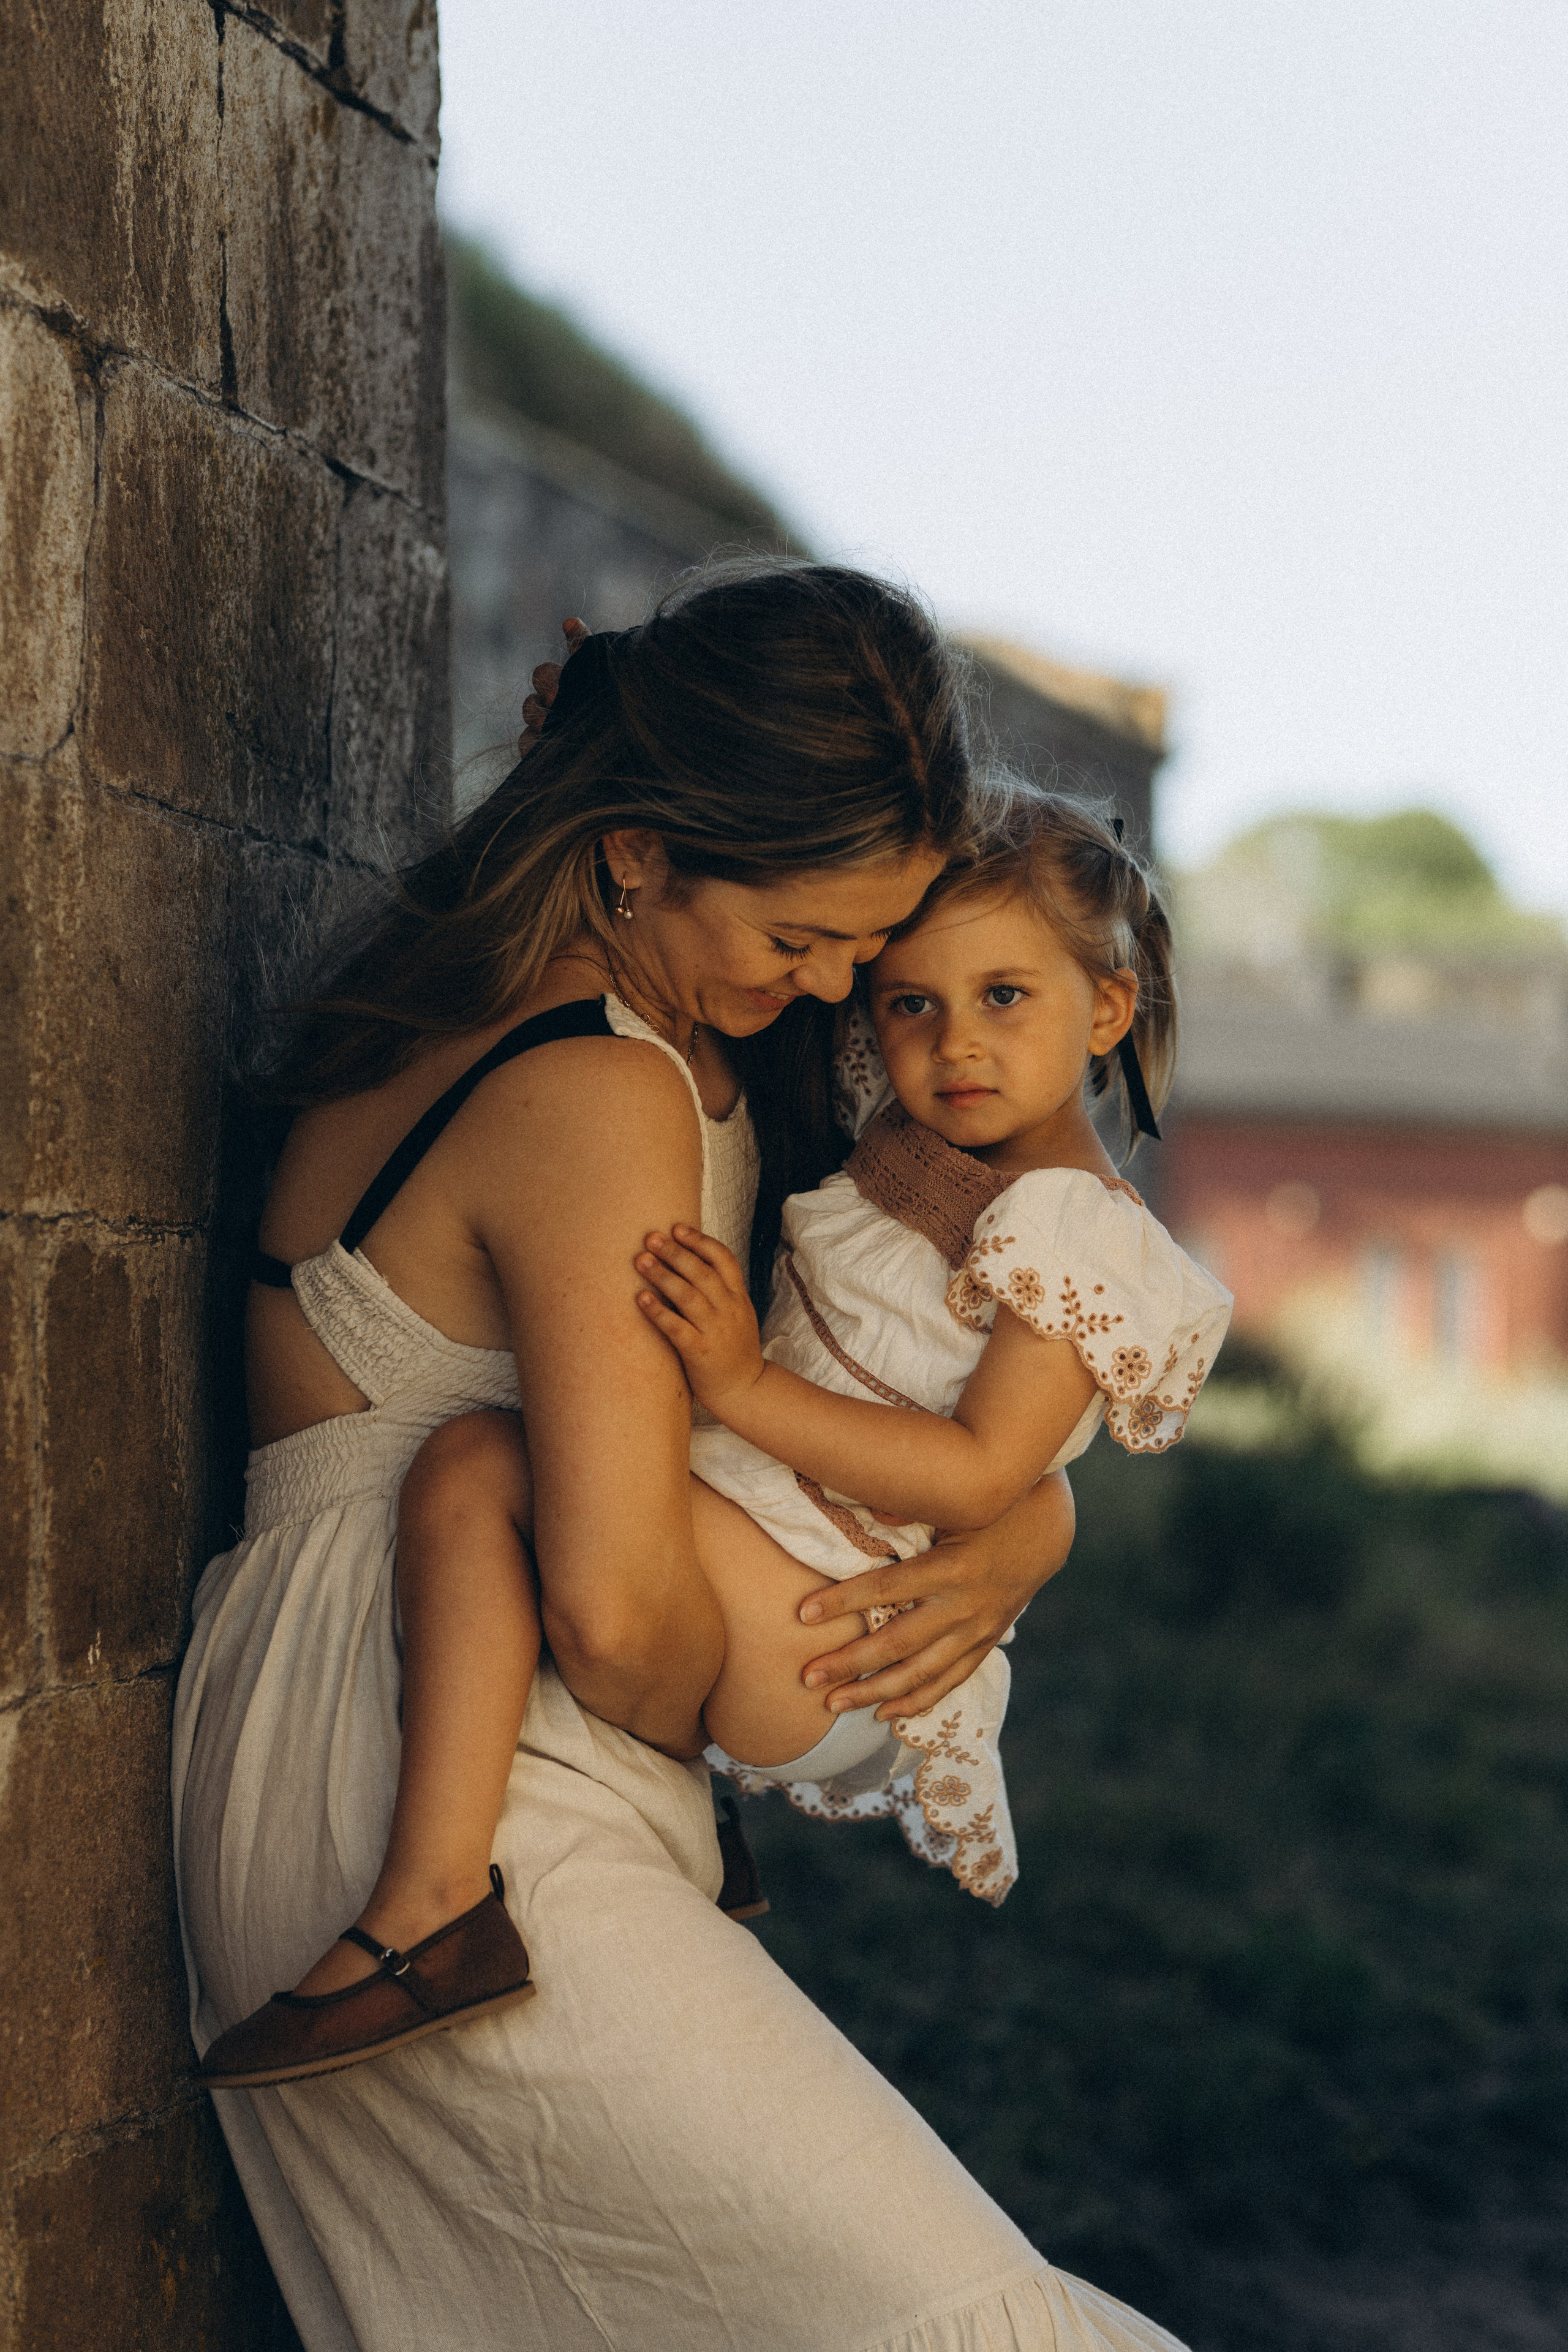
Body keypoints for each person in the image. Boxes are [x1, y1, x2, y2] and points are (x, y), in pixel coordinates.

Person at [173, 566, 1189, 2351]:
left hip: (439, 1742)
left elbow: (922, 1412)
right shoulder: (600, 1083)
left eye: (859, 962)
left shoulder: (635, 1035)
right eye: (800, 943)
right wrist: (838, 1630)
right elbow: (629, 1612)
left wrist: (1019, 1525)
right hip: (422, 1773)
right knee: (963, 2322)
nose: (831, 992)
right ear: (641, 849)